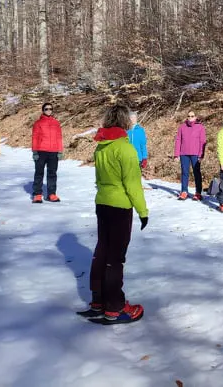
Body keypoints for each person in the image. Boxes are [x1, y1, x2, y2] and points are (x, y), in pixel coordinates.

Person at [79, 104, 149, 324]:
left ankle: (98, 301)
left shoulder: (101, 147)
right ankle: (115, 307)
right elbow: (133, 185)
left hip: (103, 203)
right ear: (125, 122)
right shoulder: (125, 149)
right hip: (119, 207)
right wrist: (142, 211)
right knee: (114, 257)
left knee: (102, 251)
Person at [31, 102, 64, 203]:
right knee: (39, 173)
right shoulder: (38, 123)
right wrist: (35, 151)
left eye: (50, 109)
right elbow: (35, 138)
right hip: (41, 151)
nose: (48, 110)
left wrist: (60, 150)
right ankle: (37, 194)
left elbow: (59, 138)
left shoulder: (56, 123)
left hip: (53, 152)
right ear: (43, 110)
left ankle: (51, 194)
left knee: (52, 173)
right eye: (46, 109)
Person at [174, 110, 207, 200]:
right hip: (184, 153)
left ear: (195, 117)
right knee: (184, 172)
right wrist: (176, 154)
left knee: (197, 173)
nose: (190, 118)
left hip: (195, 154)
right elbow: (178, 140)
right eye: (188, 116)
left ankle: (198, 192)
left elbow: (202, 141)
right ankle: (184, 191)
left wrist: (201, 155)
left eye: (192, 116)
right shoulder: (182, 127)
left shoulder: (200, 127)